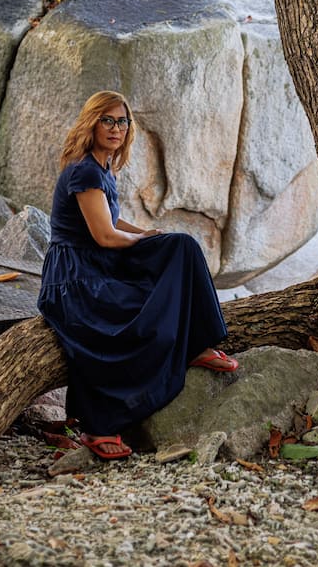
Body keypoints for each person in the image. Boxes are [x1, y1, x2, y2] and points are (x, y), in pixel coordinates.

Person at [38, 90, 238, 461]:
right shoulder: (84, 170)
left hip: (100, 262)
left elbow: (111, 222)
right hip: (76, 277)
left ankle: (197, 343)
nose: (116, 128)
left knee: (182, 247)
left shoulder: (103, 167)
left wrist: (145, 234)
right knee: (123, 327)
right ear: (91, 123)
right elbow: (104, 236)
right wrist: (139, 239)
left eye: (123, 121)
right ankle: (99, 424)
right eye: (108, 120)